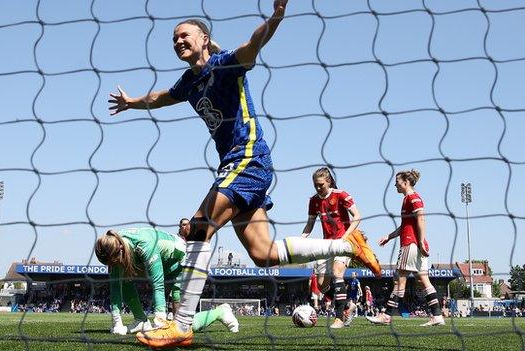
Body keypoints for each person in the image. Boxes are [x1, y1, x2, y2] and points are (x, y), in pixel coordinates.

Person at [108, 1, 381, 347]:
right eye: (174, 39)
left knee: (198, 227)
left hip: (248, 159)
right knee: (263, 255)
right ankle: (346, 245)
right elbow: (162, 97)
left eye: (184, 35)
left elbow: (253, 46)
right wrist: (133, 102)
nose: (177, 42)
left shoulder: (225, 64)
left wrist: (276, 18)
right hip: (235, 167)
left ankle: (181, 324)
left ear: (205, 39)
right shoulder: (189, 83)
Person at [94, 228, 239, 335]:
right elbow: (115, 287)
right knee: (123, 279)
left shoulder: (144, 245)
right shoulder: (114, 246)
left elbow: (157, 284)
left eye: (113, 262)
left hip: (180, 261)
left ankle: (220, 312)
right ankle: (141, 321)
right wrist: (117, 322)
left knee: (181, 326)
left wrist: (160, 320)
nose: (111, 267)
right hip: (162, 262)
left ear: (121, 250)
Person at [367, 169, 445, 327]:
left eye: (397, 181)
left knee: (399, 280)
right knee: (424, 280)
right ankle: (437, 316)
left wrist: (421, 241)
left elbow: (421, 218)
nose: (395, 184)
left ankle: (387, 315)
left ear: (405, 182)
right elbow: (405, 226)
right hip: (414, 244)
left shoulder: (413, 198)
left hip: (410, 244)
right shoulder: (407, 200)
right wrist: (389, 236)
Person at [301, 167, 364, 328]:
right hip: (326, 245)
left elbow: (357, 216)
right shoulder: (314, 201)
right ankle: (347, 305)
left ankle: (339, 318)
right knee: (322, 285)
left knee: (337, 273)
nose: (318, 188)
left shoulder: (341, 195)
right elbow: (309, 224)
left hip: (344, 242)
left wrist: (345, 236)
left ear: (328, 181)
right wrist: (301, 239)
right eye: (315, 185)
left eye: (320, 184)